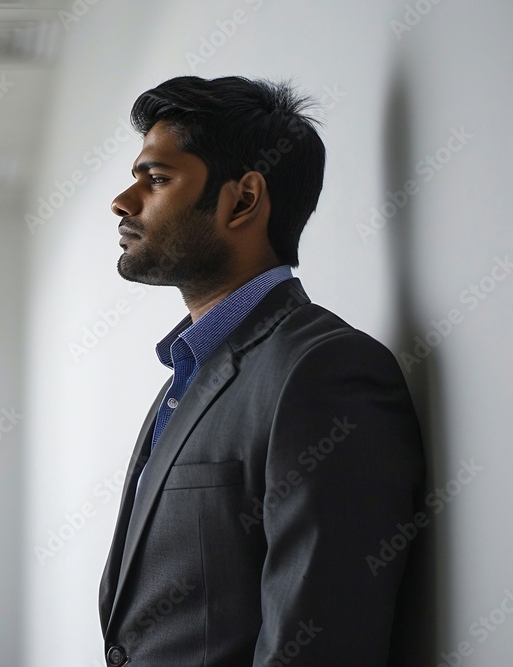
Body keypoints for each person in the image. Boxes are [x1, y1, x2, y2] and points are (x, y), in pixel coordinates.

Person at [98, 75, 425, 666]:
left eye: (157, 178)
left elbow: (322, 645)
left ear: (243, 199)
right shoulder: (187, 371)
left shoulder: (326, 371)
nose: (124, 201)